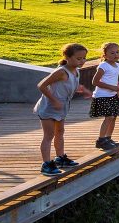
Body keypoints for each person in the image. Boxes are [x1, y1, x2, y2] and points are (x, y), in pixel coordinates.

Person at [33, 43, 92, 176]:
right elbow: (41, 85)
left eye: (84, 58)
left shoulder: (76, 71)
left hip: (62, 107)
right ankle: (46, 164)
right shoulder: (61, 72)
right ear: (67, 57)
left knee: (60, 132)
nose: (82, 61)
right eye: (79, 58)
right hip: (49, 107)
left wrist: (84, 90)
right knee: (49, 135)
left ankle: (60, 158)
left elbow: (70, 86)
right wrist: (54, 100)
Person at [90, 42, 119, 150]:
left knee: (113, 117)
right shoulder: (103, 66)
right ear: (105, 55)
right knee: (108, 117)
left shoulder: (118, 65)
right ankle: (101, 140)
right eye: (112, 53)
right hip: (102, 96)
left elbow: (114, 79)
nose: (116, 55)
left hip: (112, 95)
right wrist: (111, 87)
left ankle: (108, 138)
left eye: (118, 52)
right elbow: (95, 82)